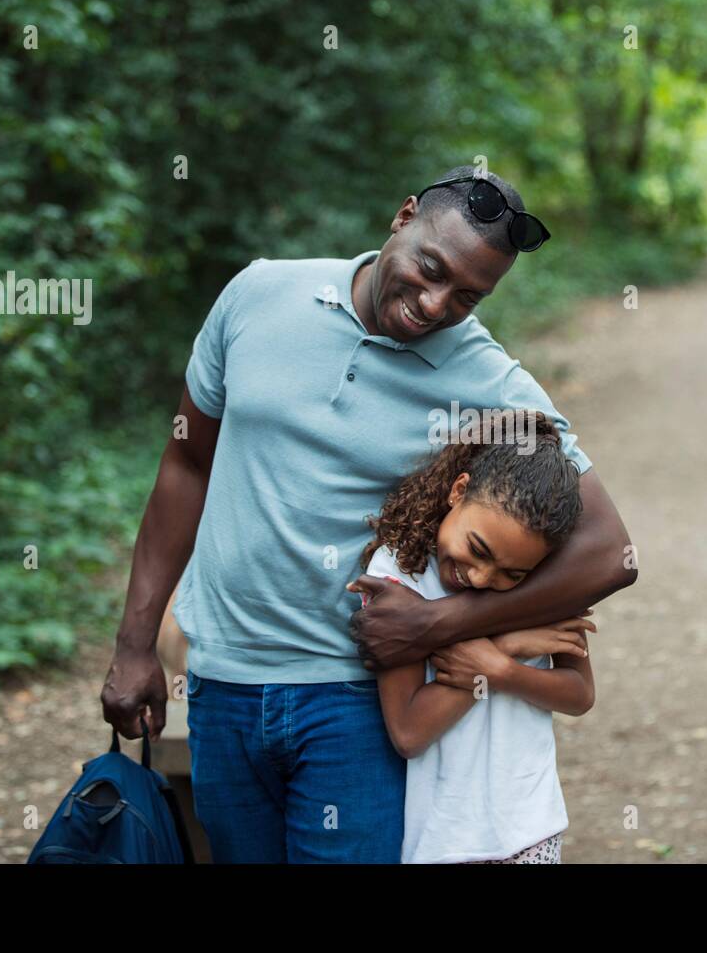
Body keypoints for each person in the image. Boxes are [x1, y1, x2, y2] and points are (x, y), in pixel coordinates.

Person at [100, 167, 637, 863]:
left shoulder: (483, 378)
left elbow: (609, 549)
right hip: (222, 683)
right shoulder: (258, 295)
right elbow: (185, 464)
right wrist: (136, 642)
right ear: (402, 217)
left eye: (468, 297)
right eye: (430, 268)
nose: (435, 305)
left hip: (353, 702)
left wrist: (444, 624)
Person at [352, 410, 595, 863]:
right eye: (479, 549)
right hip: (441, 840)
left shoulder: (546, 585)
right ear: (458, 490)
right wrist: (505, 649)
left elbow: (579, 693)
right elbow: (408, 731)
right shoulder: (399, 577)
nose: (482, 579)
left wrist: (501, 672)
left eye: (511, 573)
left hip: (530, 829)